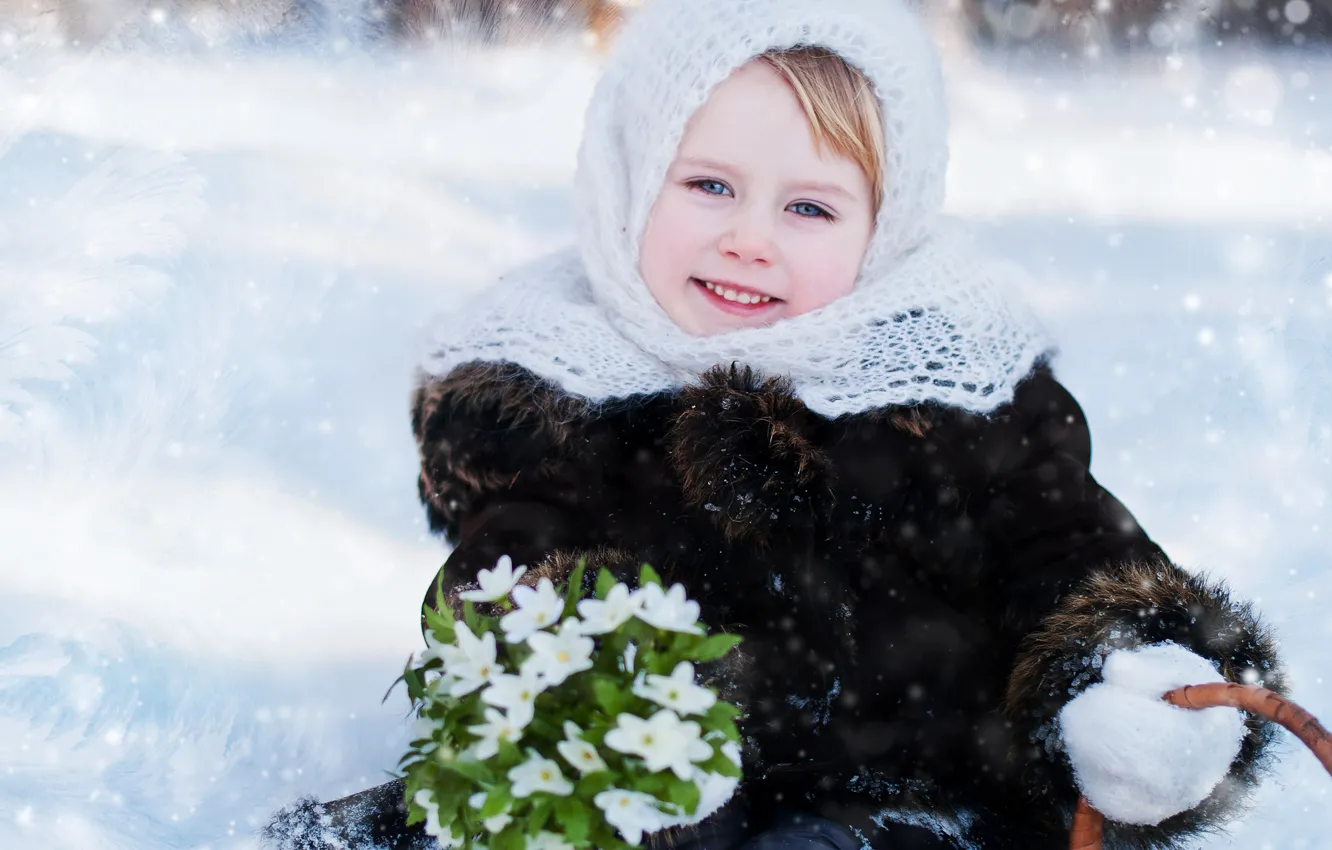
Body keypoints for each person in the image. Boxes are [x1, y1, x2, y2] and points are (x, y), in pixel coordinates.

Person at [263, 0, 1286, 847]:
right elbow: (508, 564)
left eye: (810, 209)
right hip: (663, 802)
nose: (749, 239)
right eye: (709, 186)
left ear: (886, 227)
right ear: (628, 181)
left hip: (919, 790)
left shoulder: (958, 382)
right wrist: (584, 669)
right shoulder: (561, 387)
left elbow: (1067, 546)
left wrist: (1127, 670)